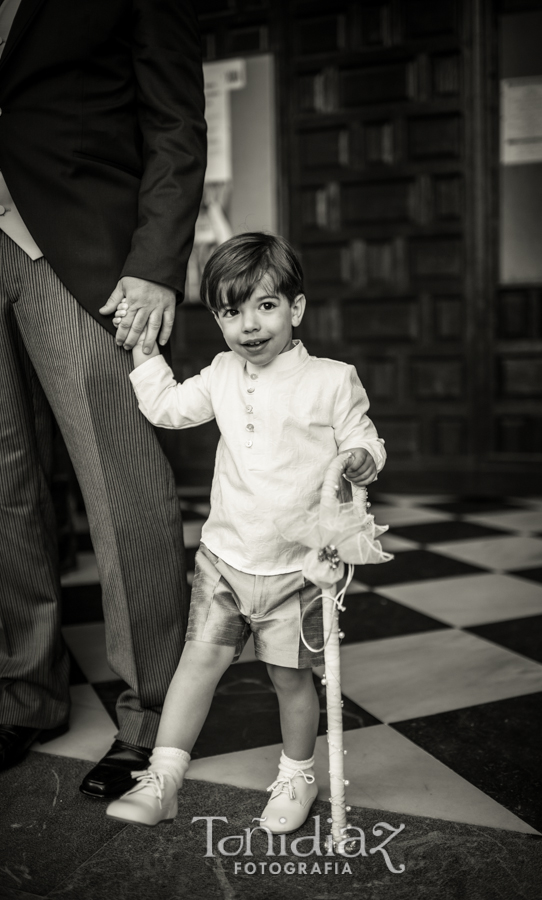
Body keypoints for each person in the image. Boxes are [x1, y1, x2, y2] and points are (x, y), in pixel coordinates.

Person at [104, 232, 386, 831]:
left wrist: (361, 456)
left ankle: (296, 776)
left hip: (297, 566)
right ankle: (164, 778)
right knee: (197, 664)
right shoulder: (223, 372)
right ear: (217, 319)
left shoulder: (332, 379)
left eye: (265, 306)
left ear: (296, 309)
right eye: (231, 312)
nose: (249, 325)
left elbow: (364, 436)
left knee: (290, 679)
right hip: (225, 558)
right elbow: (168, 409)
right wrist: (144, 351)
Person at [0, 0, 207, 800]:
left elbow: (174, 122)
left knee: (121, 483)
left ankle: (157, 718)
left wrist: (157, 261)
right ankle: (25, 694)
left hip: (82, 253)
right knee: (4, 486)